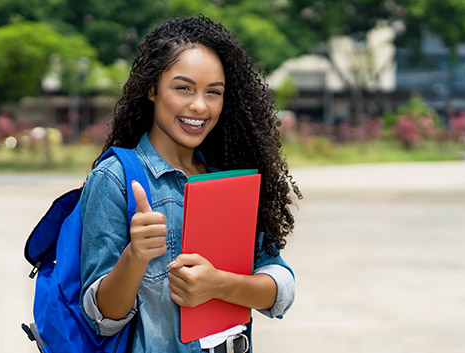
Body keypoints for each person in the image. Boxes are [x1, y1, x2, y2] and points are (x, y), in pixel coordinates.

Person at [79, 14, 302, 353]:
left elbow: (281, 287)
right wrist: (135, 256)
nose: (199, 106)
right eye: (183, 88)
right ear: (152, 88)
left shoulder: (226, 178)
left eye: (214, 92)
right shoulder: (116, 179)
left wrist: (219, 285)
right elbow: (103, 317)